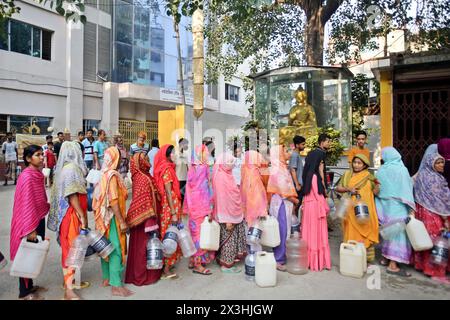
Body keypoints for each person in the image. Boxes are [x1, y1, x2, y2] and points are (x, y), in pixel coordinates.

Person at [47, 141, 89, 300]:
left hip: (68, 215)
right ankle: (68, 290)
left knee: (71, 248)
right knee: (71, 250)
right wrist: (82, 216)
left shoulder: (64, 169)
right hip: (71, 215)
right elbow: (72, 195)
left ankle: (71, 281)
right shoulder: (71, 169)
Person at [10, 145, 50, 300]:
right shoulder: (27, 176)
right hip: (28, 221)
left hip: (37, 218)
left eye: (42, 155)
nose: (41, 158)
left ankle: (30, 286)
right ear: (28, 159)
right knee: (26, 254)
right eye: (37, 155)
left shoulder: (36, 174)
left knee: (33, 253)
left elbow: (38, 200)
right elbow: (27, 203)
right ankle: (24, 293)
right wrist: (30, 228)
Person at [92, 147, 133, 297]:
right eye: (120, 158)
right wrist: (122, 221)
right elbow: (113, 201)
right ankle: (116, 285)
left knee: (105, 247)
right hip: (113, 218)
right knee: (115, 249)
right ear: (115, 159)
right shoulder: (113, 176)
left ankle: (107, 278)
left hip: (102, 219)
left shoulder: (102, 174)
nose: (122, 161)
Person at [375, 147, 415, 277]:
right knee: (398, 234)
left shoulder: (381, 170)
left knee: (388, 232)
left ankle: (385, 258)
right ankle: (393, 265)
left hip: (385, 206)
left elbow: (378, 189)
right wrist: (411, 208)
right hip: (398, 206)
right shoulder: (401, 170)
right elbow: (406, 189)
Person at [412, 152, 450, 283]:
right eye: (438, 163)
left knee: (425, 240)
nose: (441, 165)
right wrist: (445, 219)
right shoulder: (436, 179)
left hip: (421, 214)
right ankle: (435, 272)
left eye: (442, 162)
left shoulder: (421, 176)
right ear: (431, 164)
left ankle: (421, 266)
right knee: (437, 241)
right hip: (434, 215)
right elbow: (441, 202)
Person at [125, 153, 161, 286]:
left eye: (147, 158)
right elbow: (143, 200)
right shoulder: (142, 178)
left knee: (146, 248)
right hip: (144, 220)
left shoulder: (145, 175)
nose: (147, 160)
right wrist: (149, 220)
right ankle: (141, 276)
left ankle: (145, 273)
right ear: (139, 162)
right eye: (144, 159)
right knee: (142, 248)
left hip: (146, 218)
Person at [335, 154, 380, 262]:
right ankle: (351, 256)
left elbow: (376, 192)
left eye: (359, 163)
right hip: (350, 210)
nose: (356, 165)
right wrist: (348, 189)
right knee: (351, 231)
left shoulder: (369, 177)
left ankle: (365, 257)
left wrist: (377, 185)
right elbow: (338, 188)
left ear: (365, 165)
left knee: (365, 229)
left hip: (364, 211)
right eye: (355, 162)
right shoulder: (347, 175)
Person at [212, 152, 247, 273]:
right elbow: (222, 199)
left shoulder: (227, 174)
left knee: (228, 238)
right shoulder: (221, 177)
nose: (232, 165)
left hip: (231, 212)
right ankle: (226, 265)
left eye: (233, 162)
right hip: (226, 214)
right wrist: (228, 219)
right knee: (228, 239)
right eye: (230, 162)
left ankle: (224, 259)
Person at [183, 145, 214, 275]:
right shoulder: (201, 167)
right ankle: (197, 264)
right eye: (205, 153)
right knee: (199, 235)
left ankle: (193, 259)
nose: (207, 155)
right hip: (199, 205)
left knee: (196, 234)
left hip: (196, 205)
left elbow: (190, 188)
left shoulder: (196, 167)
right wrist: (210, 207)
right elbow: (208, 186)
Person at [267, 145, 299, 271]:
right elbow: (283, 191)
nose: (288, 153)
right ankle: (278, 259)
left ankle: (281, 256)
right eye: (285, 151)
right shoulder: (278, 170)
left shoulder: (282, 167)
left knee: (284, 230)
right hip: (281, 203)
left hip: (284, 203)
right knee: (281, 231)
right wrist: (294, 200)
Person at [153, 144, 182, 279]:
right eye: (173, 153)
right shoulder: (166, 170)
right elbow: (169, 193)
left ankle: (169, 263)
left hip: (171, 206)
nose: (176, 155)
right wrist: (174, 213)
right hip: (170, 208)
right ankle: (166, 268)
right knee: (169, 235)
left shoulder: (170, 168)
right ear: (168, 155)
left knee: (172, 233)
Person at [301, 148, 332, 271]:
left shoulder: (309, 175)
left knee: (309, 234)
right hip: (315, 209)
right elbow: (321, 197)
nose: (322, 165)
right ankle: (317, 263)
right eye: (321, 162)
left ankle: (310, 261)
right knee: (316, 235)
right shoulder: (315, 177)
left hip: (310, 208)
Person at [241, 150, 268, 227]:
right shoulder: (255, 172)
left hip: (247, 206)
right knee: (257, 224)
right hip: (257, 204)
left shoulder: (244, 169)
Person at [289, 135, 306, 220]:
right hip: (297, 185)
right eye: (302, 144)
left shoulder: (297, 155)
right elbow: (292, 170)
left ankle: (294, 222)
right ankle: (293, 223)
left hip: (299, 184)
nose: (304, 146)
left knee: (297, 204)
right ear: (297, 145)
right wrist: (297, 184)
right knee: (295, 204)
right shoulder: (294, 155)